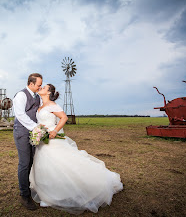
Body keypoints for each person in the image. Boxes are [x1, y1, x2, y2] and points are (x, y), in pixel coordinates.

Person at [29, 84, 123, 215]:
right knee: (45, 167)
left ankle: (63, 192)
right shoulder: (40, 106)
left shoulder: (52, 105)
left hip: (53, 138)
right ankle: (48, 194)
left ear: (49, 92)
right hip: (43, 141)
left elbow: (64, 117)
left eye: (44, 87)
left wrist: (55, 131)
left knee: (60, 165)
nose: (41, 88)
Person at [13, 73, 42, 210]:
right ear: (31, 84)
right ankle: (24, 196)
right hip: (22, 132)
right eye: (38, 85)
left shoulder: (37, 96)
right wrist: (35, 127)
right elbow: (20, 115)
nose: (40, 87)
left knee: (31, 161)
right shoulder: (21, 95)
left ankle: (30, 188)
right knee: (24, 163)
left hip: (33, 133)